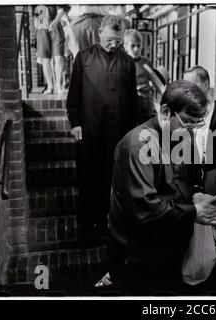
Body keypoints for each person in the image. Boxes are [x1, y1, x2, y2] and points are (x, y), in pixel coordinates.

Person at [106, 80, 216, 293]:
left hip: (170, 246)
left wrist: (196, 195)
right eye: (188, 122)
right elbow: (144, 208)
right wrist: (194, 211)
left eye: (197, 124)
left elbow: (190, 179)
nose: (192, 130)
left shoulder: (183, 136)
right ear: (166, 111)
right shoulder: (138, 144)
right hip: (138, 254)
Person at [66, 15, 139, 238]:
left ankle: (112, 226)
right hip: (89, 130)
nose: (113, 44)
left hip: (118, 133)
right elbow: (74, 95)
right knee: (89, 180)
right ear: (99, 34)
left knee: (115, 181)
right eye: (109, 39)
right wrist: (75, 123)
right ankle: (88, 228)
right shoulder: (83, 58)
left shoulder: (127, 63)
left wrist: (133, 133)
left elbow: (132, 102)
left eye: (118, 41)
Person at [182, 66, 216, 201]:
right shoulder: (182, 113)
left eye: (192, 85)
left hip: (211, 180)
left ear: (206, 85)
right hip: (185, 179)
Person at [34, 5, 69, 94]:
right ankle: (50, 86)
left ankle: (59, 86)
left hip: (55, 25)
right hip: (41, 26)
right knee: (45, 59)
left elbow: (61, 10)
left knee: (59, 57)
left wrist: (55, 22)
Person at [123, 29, 157, 122]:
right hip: (130, 106)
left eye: (138, 45)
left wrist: (152, 85)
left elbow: (153, 81)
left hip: (147, 105)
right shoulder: (122, 63)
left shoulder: (146, 62)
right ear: (125, 46)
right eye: (132, 46)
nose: (136, 49)